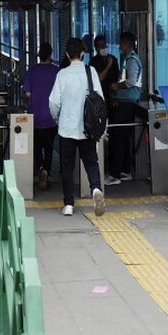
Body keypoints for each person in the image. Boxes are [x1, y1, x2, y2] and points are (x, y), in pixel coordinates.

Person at [48, 37, 106, 217]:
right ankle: (96, 189)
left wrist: (58, 119)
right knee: (90, 161)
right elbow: (100, 100)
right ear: (82, 53)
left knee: (67, 166)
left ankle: (68, 205)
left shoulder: (62, 74)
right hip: (88, 128)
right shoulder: (91, 72)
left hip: (67, 128)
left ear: (66, 54)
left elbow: (54, 102)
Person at [105, 31, 143, 186]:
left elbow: (130, 82)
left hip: (127, 103)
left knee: (119, 139)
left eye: (121, 43)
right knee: (123, 138)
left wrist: (115, 86)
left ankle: (115, 175)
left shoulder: (132, 60)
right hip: (124, 101)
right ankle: (125, 170)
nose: (120, 46)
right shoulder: (127, 59)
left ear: (127, 44)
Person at [22, 42, 59, 190]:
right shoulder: (56, 71)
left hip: (36, 116)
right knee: (49, 146)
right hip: (52, 117)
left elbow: (28, 93)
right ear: (50, 54)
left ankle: (40, 169)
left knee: (37, 147)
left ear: (39, 54)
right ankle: (48, 171)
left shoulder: (32, 71)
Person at [90, 35, 119, 105]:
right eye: (100, 46)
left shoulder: (113, 59)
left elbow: (117, 78)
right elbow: (99, 78)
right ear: (96, 49)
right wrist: (108, 65)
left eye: (104, 45)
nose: (103, 47)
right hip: (99, 97)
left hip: (112, 97)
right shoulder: (93, 61)